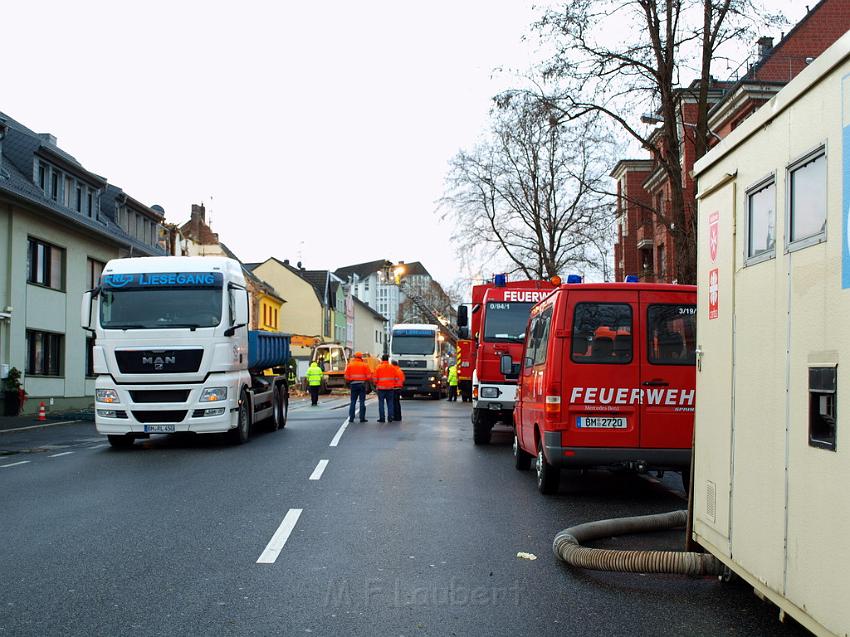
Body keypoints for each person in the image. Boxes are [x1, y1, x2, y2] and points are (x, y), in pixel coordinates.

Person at [344, 352, 370, 423]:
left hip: (353, 384)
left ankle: (351, 418)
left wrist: (350, 381)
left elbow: (346, 376)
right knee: (362, 401)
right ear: (361, 357)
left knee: (353, 401)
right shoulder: (365, 365)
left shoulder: (350, 365)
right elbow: (369, 376)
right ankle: (362, 418)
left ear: (355, 357)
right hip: (362, 384)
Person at [373, 354, 397, 423]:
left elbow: (374, 379)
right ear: (388, 359)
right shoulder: (392, 367)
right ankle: (390, 417)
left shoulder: (378, 367)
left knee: (381, 403)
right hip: (390, 388)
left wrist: (376, 385)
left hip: (381, 389)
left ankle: (382, 418)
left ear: (382, 359)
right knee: (390, 403)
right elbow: (396, 378)